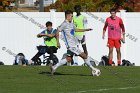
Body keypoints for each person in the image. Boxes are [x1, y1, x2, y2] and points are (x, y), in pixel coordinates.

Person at [51, 10, 100, 76]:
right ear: (67, 16)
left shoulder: (71, 23)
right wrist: (57, 42)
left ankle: (54, 67)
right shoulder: (64, 24)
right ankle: (93, 69)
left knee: (69, 59)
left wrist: (86, 29)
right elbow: (57, 31)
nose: (72, 17)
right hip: (71, 46)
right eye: (71, 16)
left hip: (74, 45)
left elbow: (76, 29)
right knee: (85, 56)